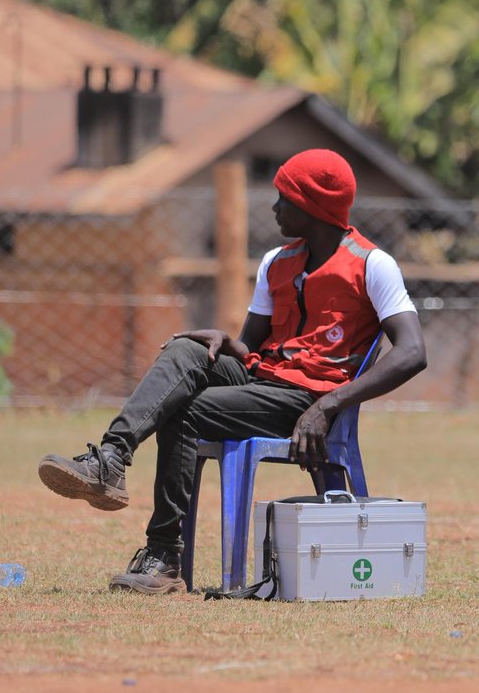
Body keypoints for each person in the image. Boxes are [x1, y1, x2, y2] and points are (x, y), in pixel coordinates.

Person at [37, 148, 428, 594]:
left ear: (312, 207)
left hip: (308, 400)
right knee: (189, 348)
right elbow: (253, 350)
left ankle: (164, 555)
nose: (275, 206)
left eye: (284, 198)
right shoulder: (276, 263)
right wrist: (225, 341)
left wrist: (330, 404)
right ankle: (111, 459)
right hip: (264, 381)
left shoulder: (372, 265)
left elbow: (412, 352)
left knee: (186, 412)